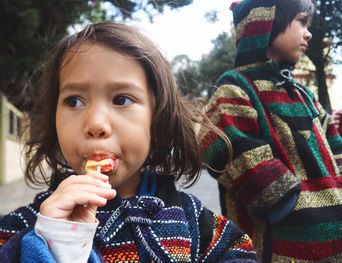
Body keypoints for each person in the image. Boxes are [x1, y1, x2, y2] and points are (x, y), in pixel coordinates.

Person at [0, 21, 258, 262]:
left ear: (156, 120)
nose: (96, 124)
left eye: (121, 99)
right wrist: (51, 242)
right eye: (74, 101)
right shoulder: (26, 228)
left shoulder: (194, 222)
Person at [200, 0, 342, 262]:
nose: (308, 33)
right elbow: (216, 143)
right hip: (276, 248)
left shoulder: (306, 95)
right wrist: (283, 205)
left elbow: (335, 142)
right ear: (266, 22)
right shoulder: (235, 88)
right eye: (301, 21)